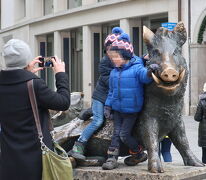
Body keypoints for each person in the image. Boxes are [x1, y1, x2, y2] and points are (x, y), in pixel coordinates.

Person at [0, 39, 70, 180]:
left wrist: (26, 73)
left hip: (8, 158)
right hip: (35, 158)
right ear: (27, 59)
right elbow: (63, 102)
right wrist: (60, 74)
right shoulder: (34, 85)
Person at [102, 33, 159, 170]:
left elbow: (145, 78)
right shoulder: (114, 72)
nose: (113, 60)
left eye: (116, 57)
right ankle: (112, 158)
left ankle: (138, 152)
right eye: (112, 57)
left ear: (125, 56)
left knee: (124, 135)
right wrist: (108, 106)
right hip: (117, 109)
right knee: (115, 134)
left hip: (131, 110)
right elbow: (111, 91)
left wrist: (150, 71)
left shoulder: (136, 68)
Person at [68, 27, 124, 160]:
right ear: (107, 49)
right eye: (111, 49)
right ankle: (79, 144)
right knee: (98, 121)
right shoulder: (105, 62)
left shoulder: (123, 61)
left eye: (116, 49)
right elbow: (110, 81)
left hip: (112, 99)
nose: (113, 52)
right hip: (101, 97)